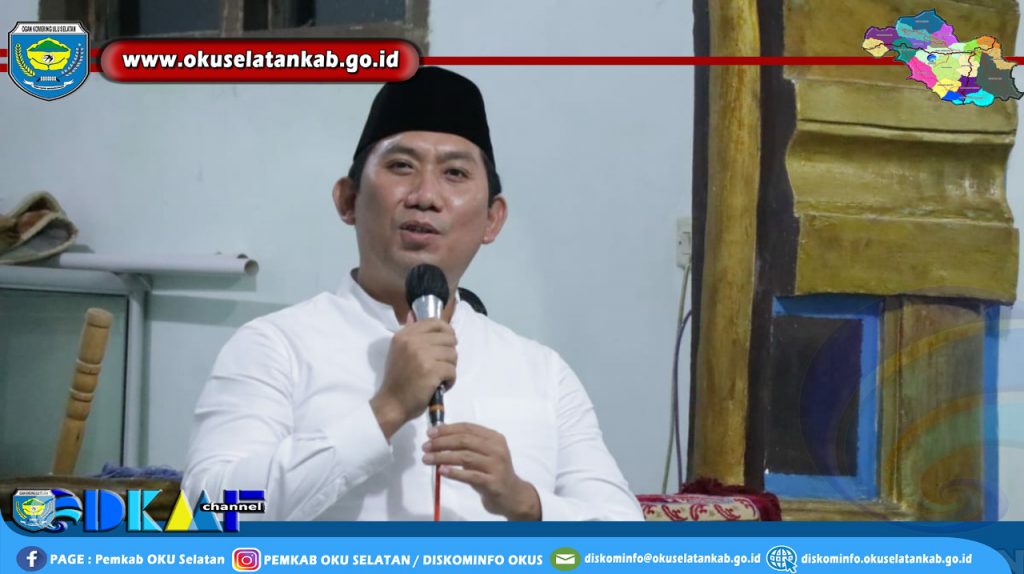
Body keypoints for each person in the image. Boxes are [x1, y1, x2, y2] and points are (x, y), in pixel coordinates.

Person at [182, 67, 642, 521]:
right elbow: (210, 508)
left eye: (455, 173)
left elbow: (625, 535)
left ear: (492, 220)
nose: (426, 195)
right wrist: (384, 411)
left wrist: (527, 503)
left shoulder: (543, 373)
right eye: (401, 166)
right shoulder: (275, 346)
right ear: (348, 200)